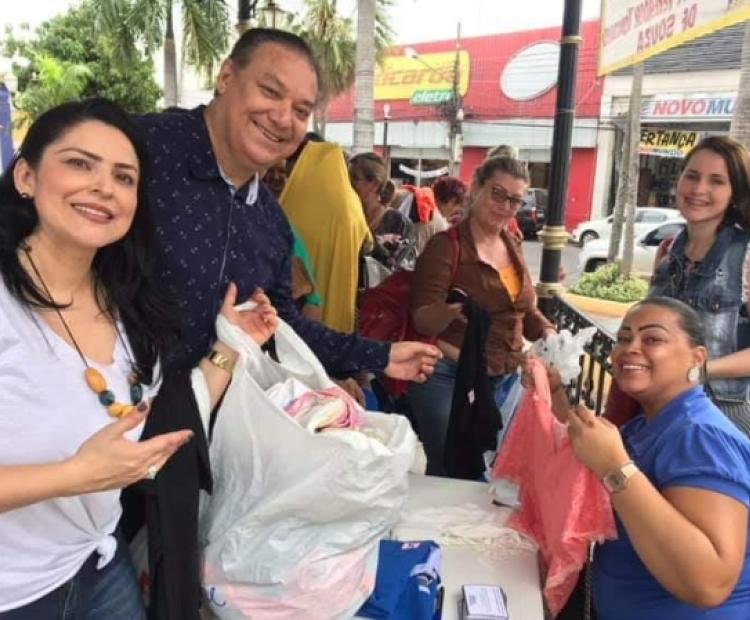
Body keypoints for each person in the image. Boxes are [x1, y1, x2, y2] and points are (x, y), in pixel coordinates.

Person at [0, 99, 279, 618]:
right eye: (80, 164)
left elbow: (152, 417)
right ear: (26, 176)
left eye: (124, 177)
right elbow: (93, 468)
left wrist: (230, 346)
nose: (104, 187)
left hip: (100, 568)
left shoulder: (128, 301)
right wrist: (73, 475)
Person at [136, 28, 439, 383]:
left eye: (300, 110)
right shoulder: (142, 151)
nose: (282, 118)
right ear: (226, 77)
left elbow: (284, 328)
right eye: (270, 91)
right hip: (107, 405)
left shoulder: (271, 223)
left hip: (211, 409)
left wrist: (380, 355)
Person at [557, 297, 750, 619]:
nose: (630, 348)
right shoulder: (644, 426)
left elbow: (709, 584)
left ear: (697, 358)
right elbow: (580, 456)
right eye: (623, 338)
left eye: (652, 339)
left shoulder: (700, 436)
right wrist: (553, 392)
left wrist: (614, 467)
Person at [408, 156, 555, 475]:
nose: (505, 206)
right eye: (497, 193)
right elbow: (421, 320)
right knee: (455, 473)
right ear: (475, 189)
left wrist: (548, 330)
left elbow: (522, 309)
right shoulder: (445, 247)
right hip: (450, 378)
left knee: (493, 475)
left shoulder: (512, 243)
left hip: (505, 380)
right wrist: (453, 308)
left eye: (514, 200)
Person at [648, 136, 750, 436]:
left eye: (716, 181)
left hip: (722, 417)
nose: (698, 189)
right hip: (663, 410)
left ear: (735, 193)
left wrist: (700, 371)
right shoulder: (667, 251)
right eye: (692, 176)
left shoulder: (745, 256)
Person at [281, 140, 370, 333]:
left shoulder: (294, 203)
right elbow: (367, 243)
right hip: (342, 308)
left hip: (302, 311)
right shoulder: (353, 203)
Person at [349, 151, 415, 271]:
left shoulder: (399, 224)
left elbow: (392, 269)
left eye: (355, 179)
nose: (348, 184)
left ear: (375, 183)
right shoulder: (345, 217)